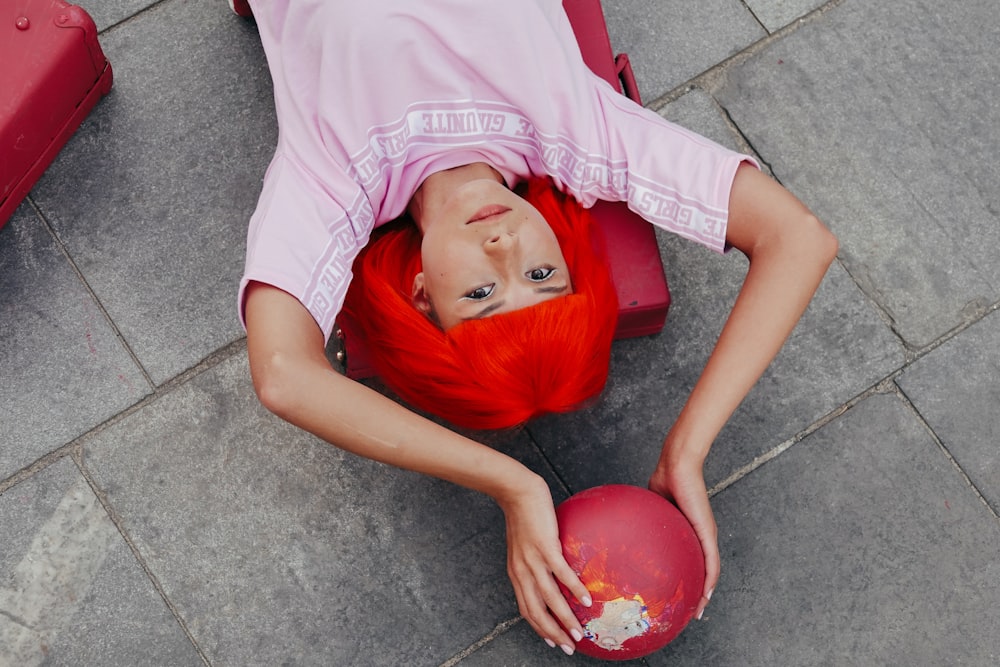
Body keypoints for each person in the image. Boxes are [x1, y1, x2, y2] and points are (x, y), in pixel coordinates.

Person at [238, 0, 838, 656]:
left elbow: (284, 374)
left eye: (481, 292)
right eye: (544, 272)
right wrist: (687, 449)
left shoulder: (333, 179)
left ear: (422, 298)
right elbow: (798, 239)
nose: (505, 245)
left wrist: (511, 482)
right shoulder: (575, 132)